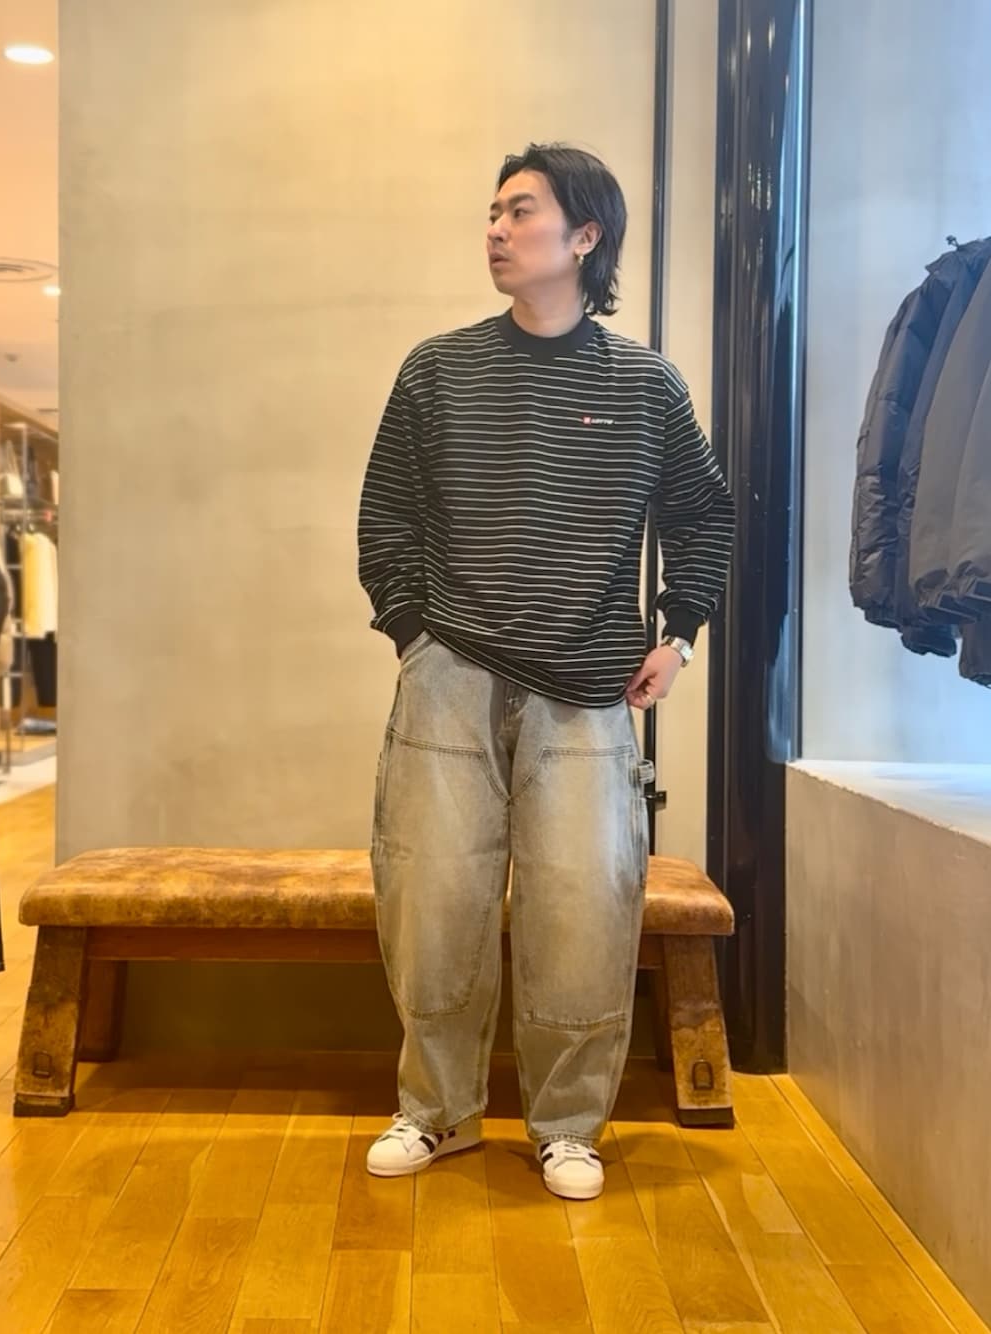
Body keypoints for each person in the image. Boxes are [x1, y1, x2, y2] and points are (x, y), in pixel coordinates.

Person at [357, 143, 735, 1201]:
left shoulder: (645, 384)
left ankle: (568, 1125)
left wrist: (680, 635)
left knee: (584, 905)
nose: (495, 229)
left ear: (584, 235)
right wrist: (415, 635)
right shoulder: (436, 370)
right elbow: (385, 517)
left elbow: (703, 516)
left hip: (589, 688)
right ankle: (436, 1110)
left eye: (520, 211)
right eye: (491, 212)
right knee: (432, 896)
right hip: (450, 674)